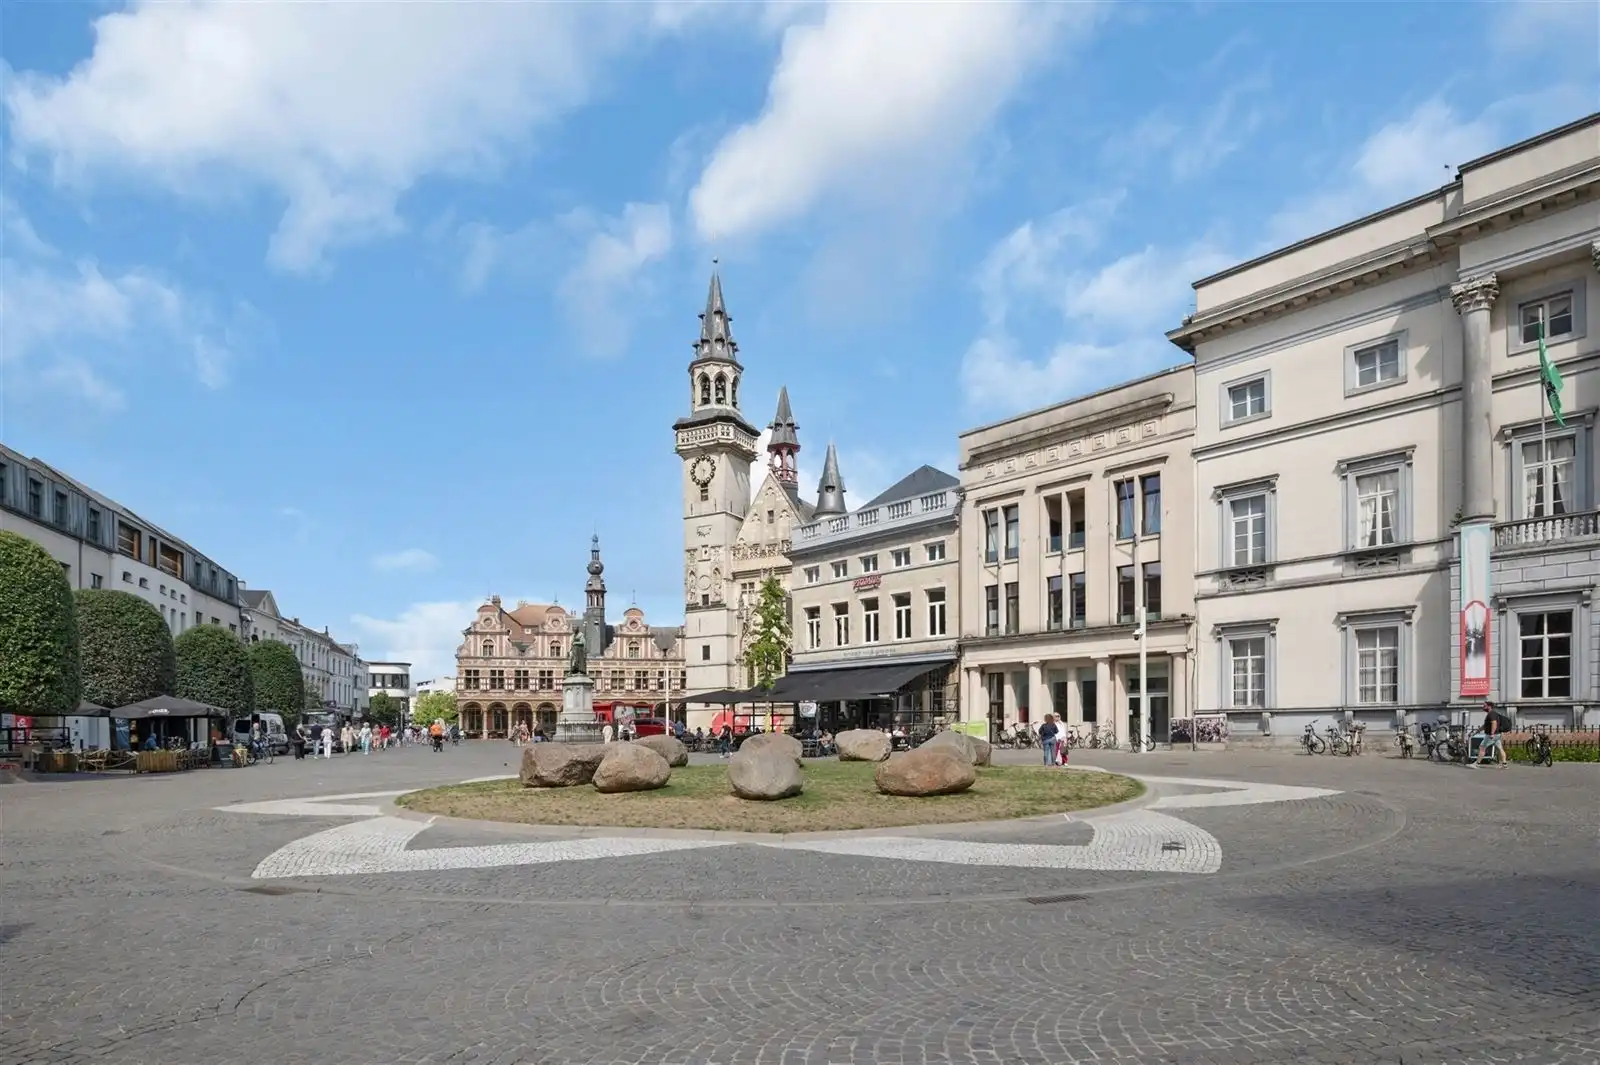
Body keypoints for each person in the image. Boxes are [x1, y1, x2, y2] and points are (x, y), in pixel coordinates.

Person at [1470, 699, 1510, 768]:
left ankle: (1476, 764)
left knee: (1482, 747)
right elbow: (1485, 726)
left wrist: (1492, 733)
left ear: (1489, 706)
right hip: (1497, 735)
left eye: (1484, 706)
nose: (1483, 707)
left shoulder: (1491, 714)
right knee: (1500, 748)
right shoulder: (1492, 714)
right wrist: (1476, 732)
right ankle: (1504, 764)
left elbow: (1494, 723)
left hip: (1491, 735)